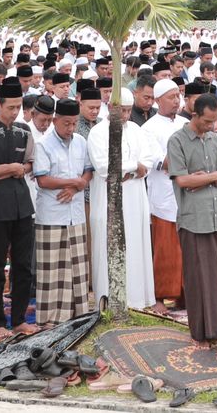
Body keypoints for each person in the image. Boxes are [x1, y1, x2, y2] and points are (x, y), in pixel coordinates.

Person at [165, 93, 217, 344]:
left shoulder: (214, 139)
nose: (211, 126)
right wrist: (210, 177)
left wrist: (206, 177)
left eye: (214, 121)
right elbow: (182, 180)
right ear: (194, 114)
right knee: (196, 278)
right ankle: (199, 332)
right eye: (207, 121)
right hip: (193, 219)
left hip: (216, 216)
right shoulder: (177, 141)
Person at [88, 90, 156, 311]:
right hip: (109, 197)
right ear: (111, 108)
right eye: (122, 111)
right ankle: (110, 301)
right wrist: (134, 166)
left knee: (136, 244)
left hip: (135, 195)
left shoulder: (136, 130)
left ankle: (136, 302)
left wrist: (133, 169)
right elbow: (103, 166)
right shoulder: (98, 133)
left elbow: (149, 159)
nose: (126, 115)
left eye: (128, 110)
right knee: (109, 246)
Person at [0, 81, 37, 335]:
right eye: (10, 107)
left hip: (23, 205)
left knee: (23, 265)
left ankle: (20, 319)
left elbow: (31, 164)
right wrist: (8, 170)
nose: (14, 112)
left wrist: (20, 169)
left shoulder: (25, 131)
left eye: (18, 107)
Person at [31, 98, 95, 327]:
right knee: (53, 269)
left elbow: (88, 171)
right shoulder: (43, 144)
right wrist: (73, 183)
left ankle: (78, 312)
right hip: (52, 214)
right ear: (55, 120)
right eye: (66, 123)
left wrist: (79, 184)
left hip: (75, 213)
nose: (70, 129)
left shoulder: (80, 142)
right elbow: (43, 179)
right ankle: (50, 318)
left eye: (74, 123)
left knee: (77, 266)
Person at [142, 79, 186, 309]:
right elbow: (160, 162)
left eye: (178, 95)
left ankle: (185, 296)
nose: (177, 100)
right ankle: (159, 297)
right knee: (165, 250)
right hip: (163, 197)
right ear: (158, 100)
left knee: (187, 249)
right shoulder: (149, 128)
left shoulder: (186, 123)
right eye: (171, 97)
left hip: (188, 194)